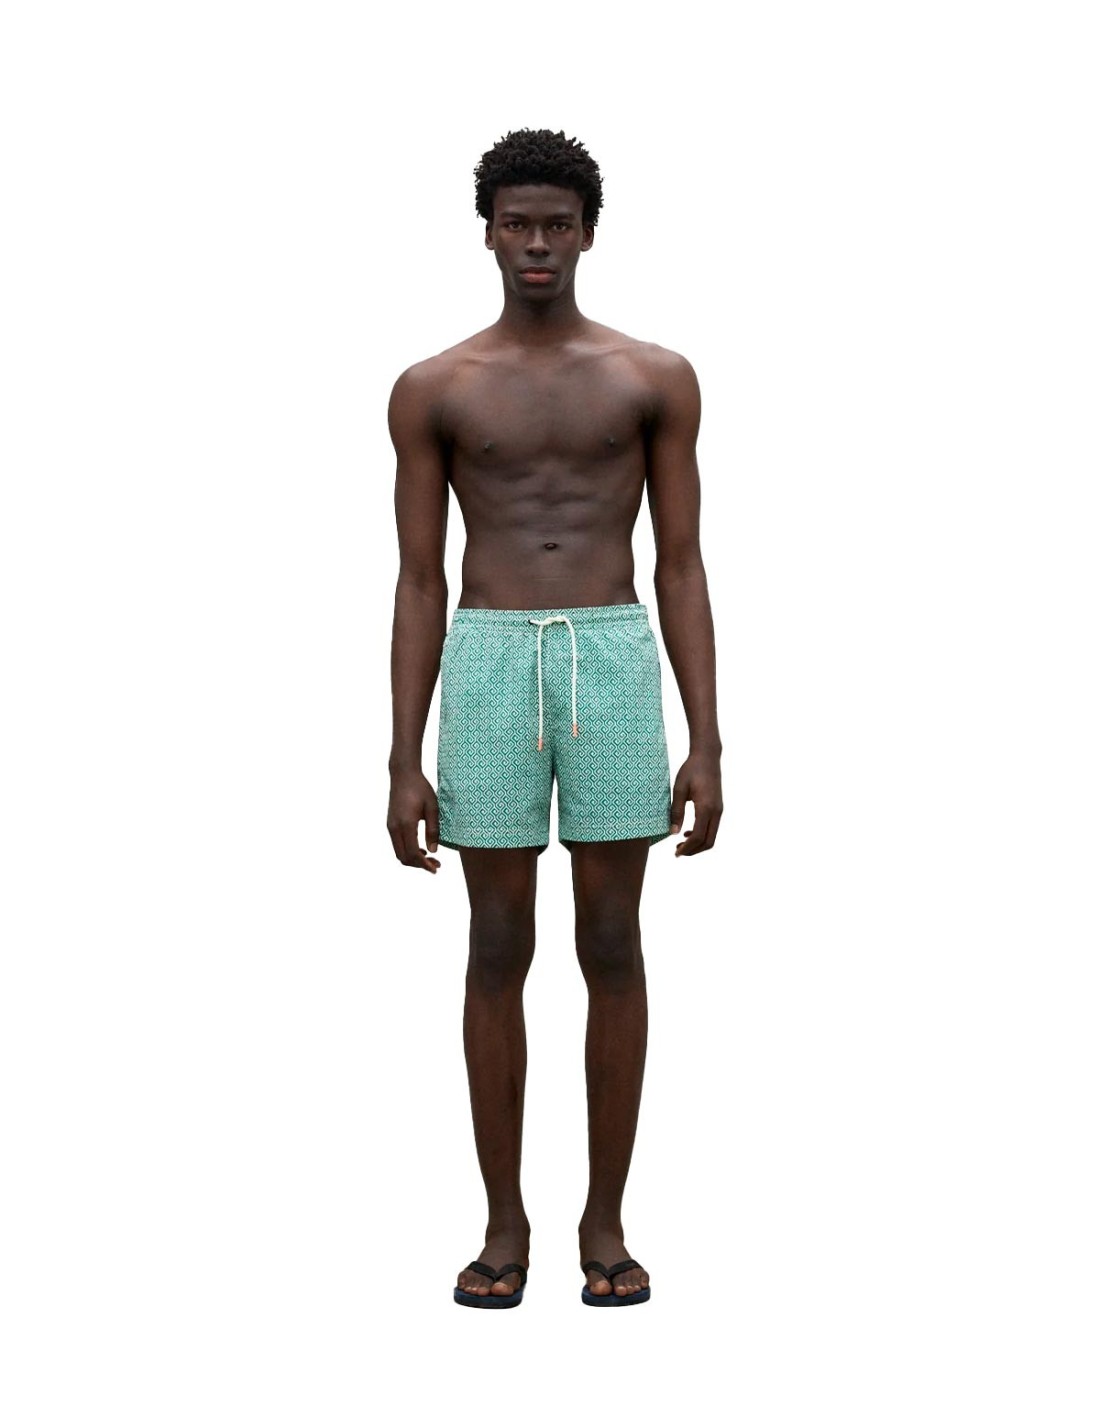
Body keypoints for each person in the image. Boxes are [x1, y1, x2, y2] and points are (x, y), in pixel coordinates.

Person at [386, 128, 723, 1308]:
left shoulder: (651, 377)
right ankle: (502, 1223)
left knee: (613, 941)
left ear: (588, 233)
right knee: (492, 944)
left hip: (612, 657)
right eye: (517, 223)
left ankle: (604, 1221)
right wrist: (400, 756)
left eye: (557, 224)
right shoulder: (434, 388)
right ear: (486, 232)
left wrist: (706, 740)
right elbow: (417, 579)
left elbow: (679, 563)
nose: (537, 243)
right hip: (485, 656)